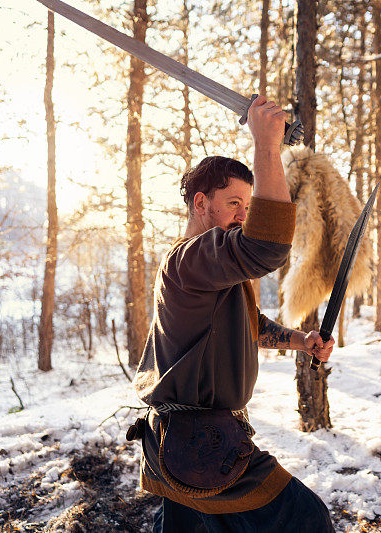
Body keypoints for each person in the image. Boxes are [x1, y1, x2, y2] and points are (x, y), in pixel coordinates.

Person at [132, 95, 336, 532]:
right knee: (305, 520)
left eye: (248, 204)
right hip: (199, 442)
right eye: (234, 204)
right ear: (201, 203)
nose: (244, 215)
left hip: (190, 441)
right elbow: (267, 248)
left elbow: (249, 324)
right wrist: (267, 146)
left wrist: (299, 341)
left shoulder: (213, 268)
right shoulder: (191, 259)